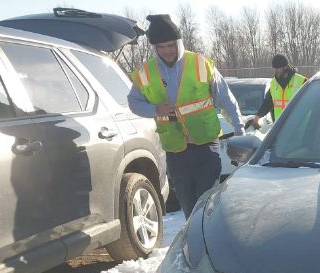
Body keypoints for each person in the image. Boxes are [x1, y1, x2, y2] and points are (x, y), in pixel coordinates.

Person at [128, 14, 244, 218]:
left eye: (171, 45)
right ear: (154, 47)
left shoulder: (200, 63)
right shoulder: (146, 72)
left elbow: (226, 99)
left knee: (206, 200)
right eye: (161, 47)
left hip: (206, 144)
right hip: (175, 150)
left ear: (178, 42)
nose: (167, 51)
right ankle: (195, 241)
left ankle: (209, 240)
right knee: (188, 203)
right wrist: (155, 110)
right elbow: (133, 102)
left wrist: (239, 129)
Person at [248, 54, 307, 130]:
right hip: (280, 129)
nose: (275, 71)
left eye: (277, 68)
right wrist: (257, 118)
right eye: (274, 68)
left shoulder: (302, 81)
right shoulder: (273, 83)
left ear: (285, 67)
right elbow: (267, 103)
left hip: (298, 128)